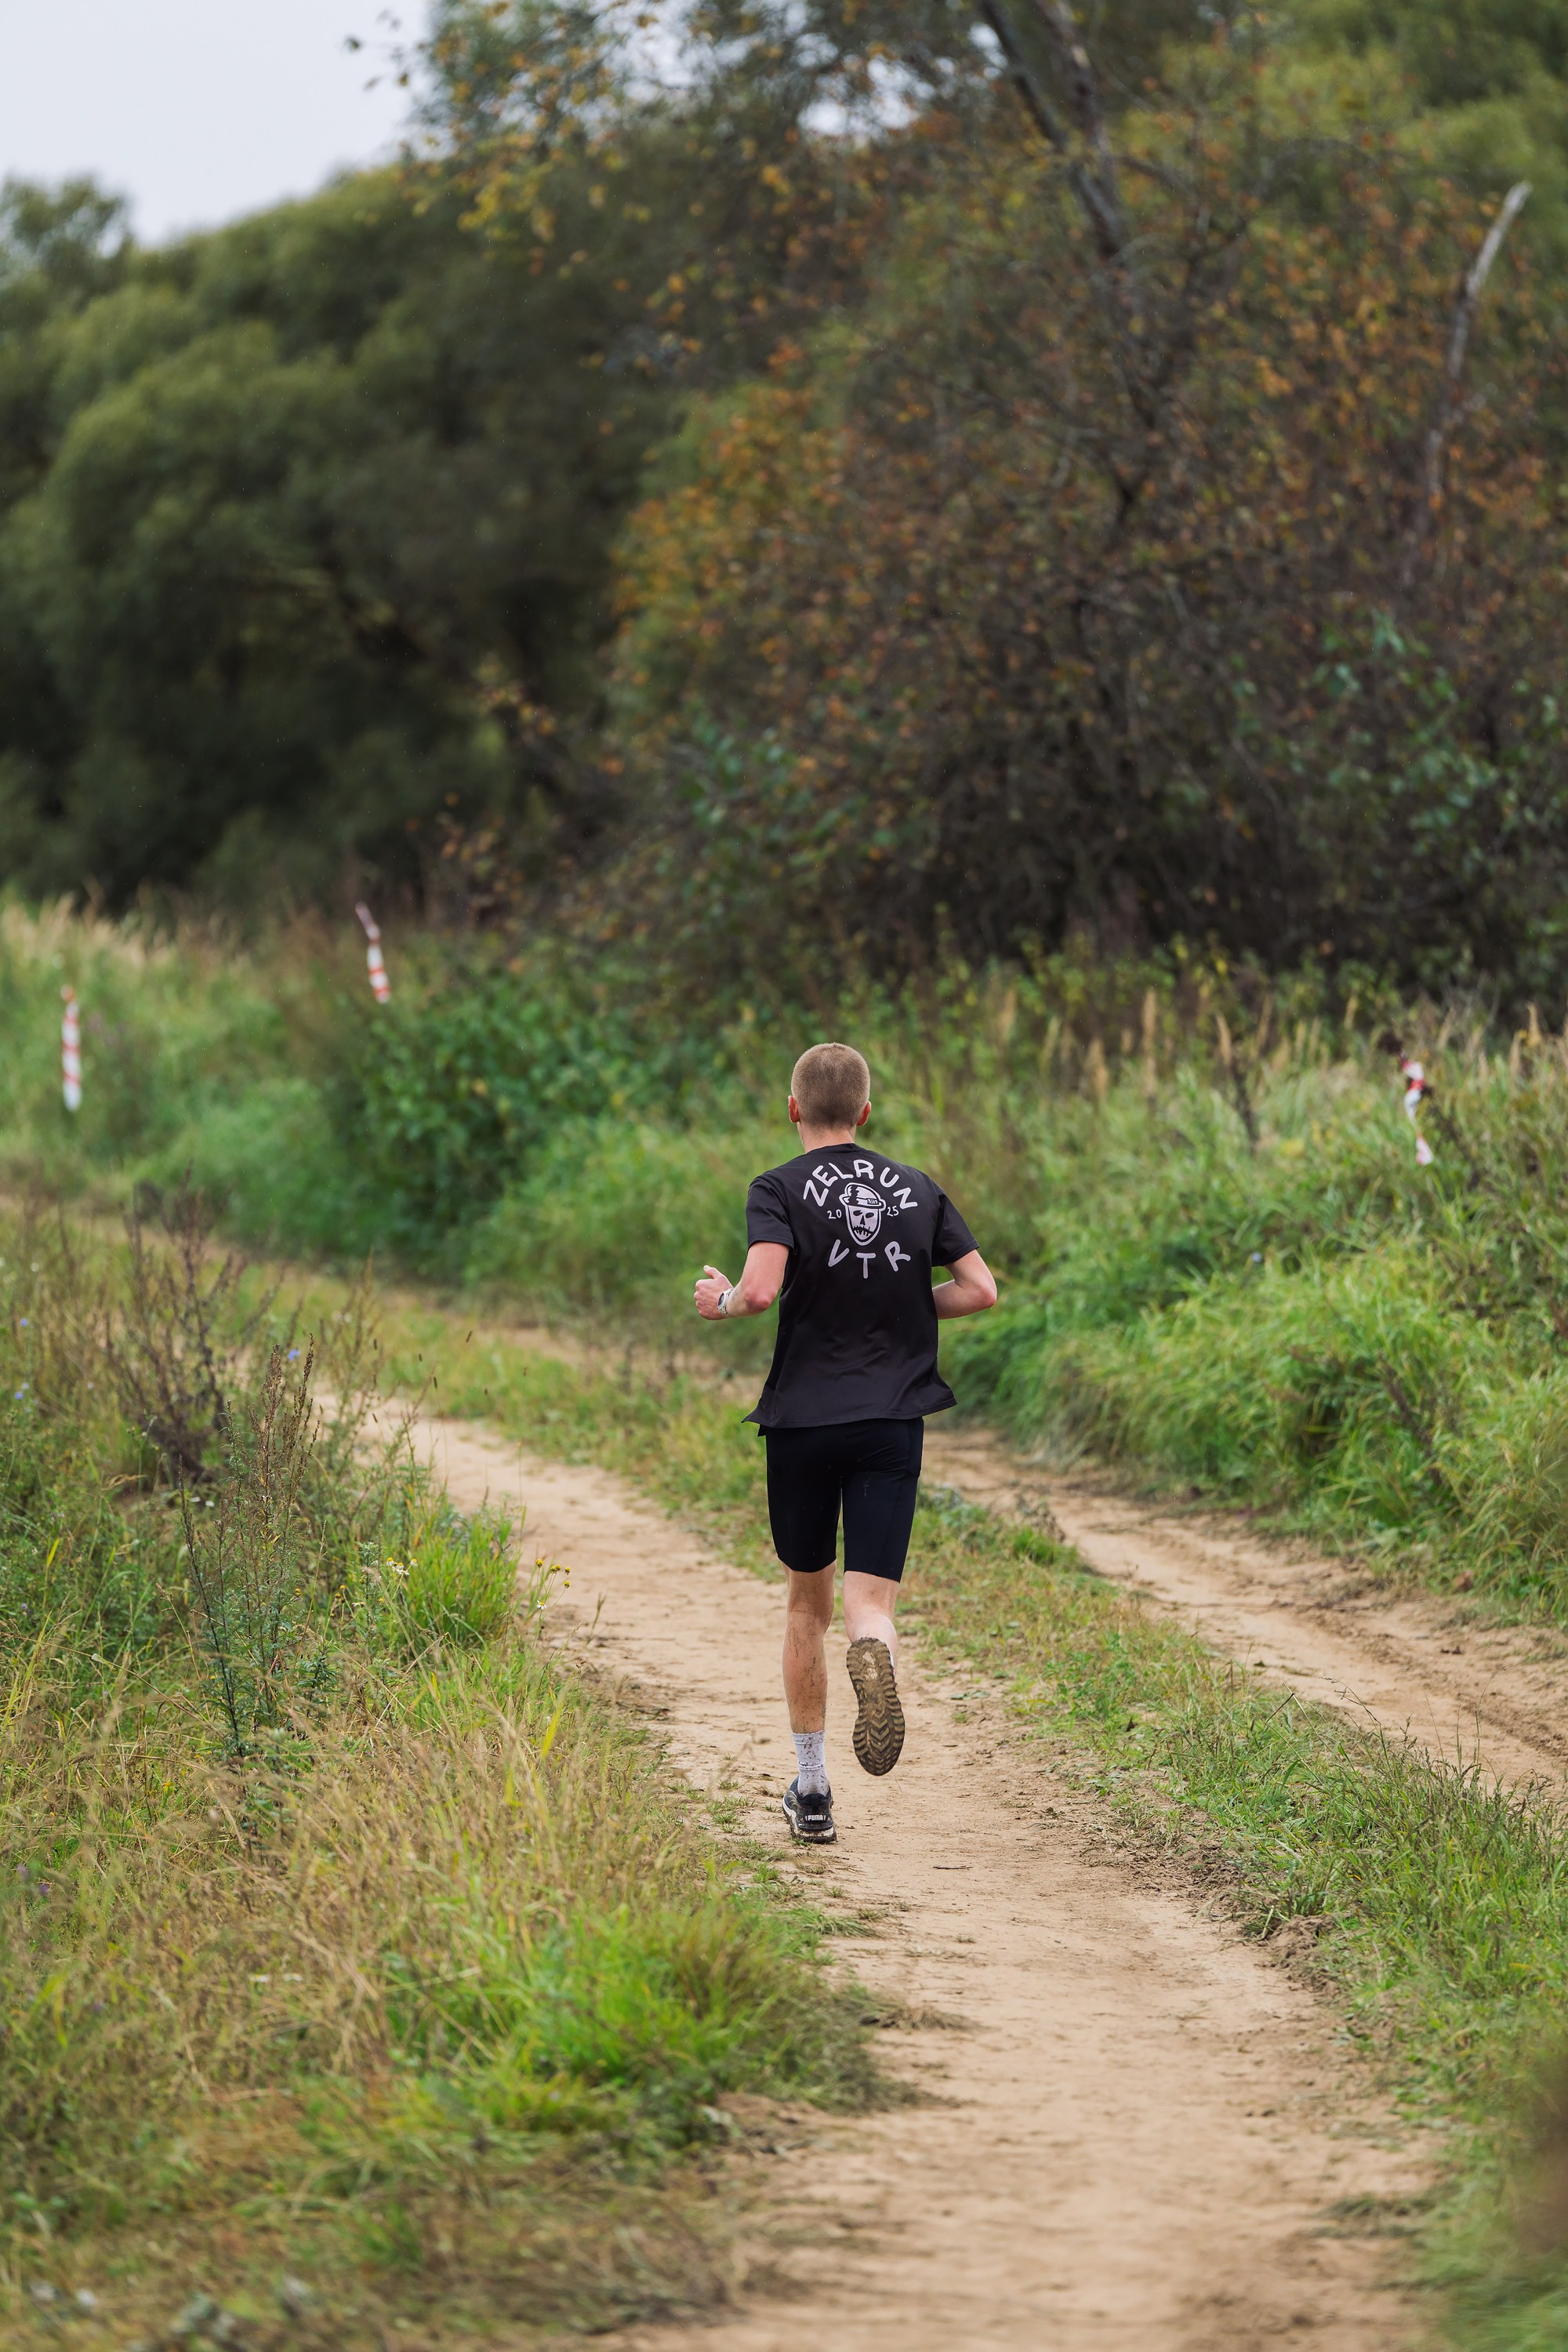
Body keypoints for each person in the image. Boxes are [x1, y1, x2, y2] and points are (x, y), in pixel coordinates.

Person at [693, 1041, 997, 1845]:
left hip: (801, 1422)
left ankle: (813, 1789)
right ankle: (877, 1654)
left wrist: (717, 1299)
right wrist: (898, 1301)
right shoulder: (916, 1187)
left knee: (805, 1603)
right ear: (865, 1112)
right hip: (890, 1419)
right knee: (866, 1605)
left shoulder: (778, 1187)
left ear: (792, 1109)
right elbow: (979, 1289)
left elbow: (758, 1291)